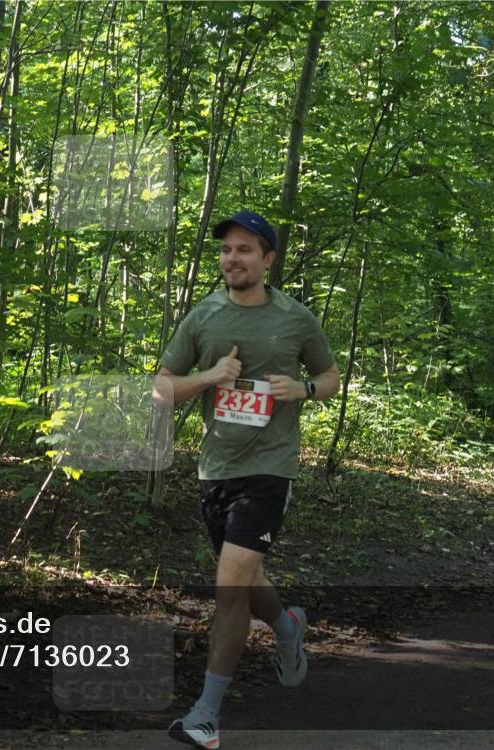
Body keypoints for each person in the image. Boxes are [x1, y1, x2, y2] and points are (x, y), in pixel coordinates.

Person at [156, 210, 340, 749]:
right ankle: (286, 627)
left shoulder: (296, 318)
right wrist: (210, 377)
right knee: (243, 581)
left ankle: (206, 715)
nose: (231, 259)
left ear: (268, 259)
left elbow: (330, 375)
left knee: (228, 586)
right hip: (216, 470)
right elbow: (161, 390)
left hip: (270, 468)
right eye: (226, 250)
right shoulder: (204, 316)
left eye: (243, 250)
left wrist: (303, 390)